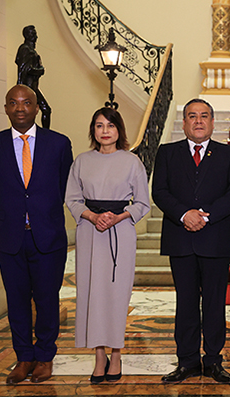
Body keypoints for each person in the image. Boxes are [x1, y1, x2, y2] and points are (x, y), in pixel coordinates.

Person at [0, 84, 73, 384]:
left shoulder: (58, 143)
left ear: (36, 107)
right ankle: (23, 358)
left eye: (26, 103)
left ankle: (45, 357)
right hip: (10, 237)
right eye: (13, 103)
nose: (20, 108)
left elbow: (63, 186)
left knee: (47, 299)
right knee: (16, 300)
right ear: (6, 108)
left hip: (47, 236)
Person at [152, 98, 230, 384]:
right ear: (185, 122)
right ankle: (187, 361)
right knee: (186, 303)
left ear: (213, 122)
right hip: (180, 239)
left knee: (215, 303)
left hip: (214, 238)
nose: (199, 121)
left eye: (204, 116)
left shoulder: (229, 154)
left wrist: (207, 216)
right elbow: (160, 191)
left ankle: (214, 361)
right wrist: (184, 214)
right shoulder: (167, 153)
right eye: (192, 116)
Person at [65, 108, 150, 384]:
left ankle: (116, 353)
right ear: (93, 130)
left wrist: (118, 217)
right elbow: (73, 199)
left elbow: (142, 203)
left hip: (120, 232)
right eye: (99, 125)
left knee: (116, 294)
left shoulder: (132, 162)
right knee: (91, 293)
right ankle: (98, 354)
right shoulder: (81, 161)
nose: (105, 131)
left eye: (110, 126)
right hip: (90, 232)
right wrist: (93, 216)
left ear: (119, 130)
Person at [15, 25, 51, 129]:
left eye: (35, 34)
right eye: (32, 34)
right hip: (28, 88)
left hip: (33, 87)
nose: (35, 36)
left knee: (43, 110)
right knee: (44, 110)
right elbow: (26, 69)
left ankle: (44, 133)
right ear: (27, 35)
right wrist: (40, 70)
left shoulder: (30, 50)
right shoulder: (25, 49)